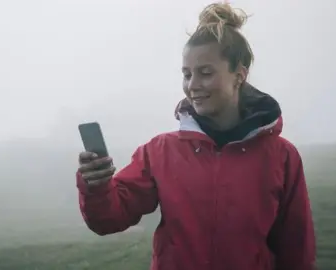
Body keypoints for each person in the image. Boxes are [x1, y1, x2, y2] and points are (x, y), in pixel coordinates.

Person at [76, 2, 316, 270]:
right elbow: (110, 218)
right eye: (187, 74)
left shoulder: (282, 157)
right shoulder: (160, 151)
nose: (192, 85)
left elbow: (297, 250)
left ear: (239, 76)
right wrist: (96, 186)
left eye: (205, 73)